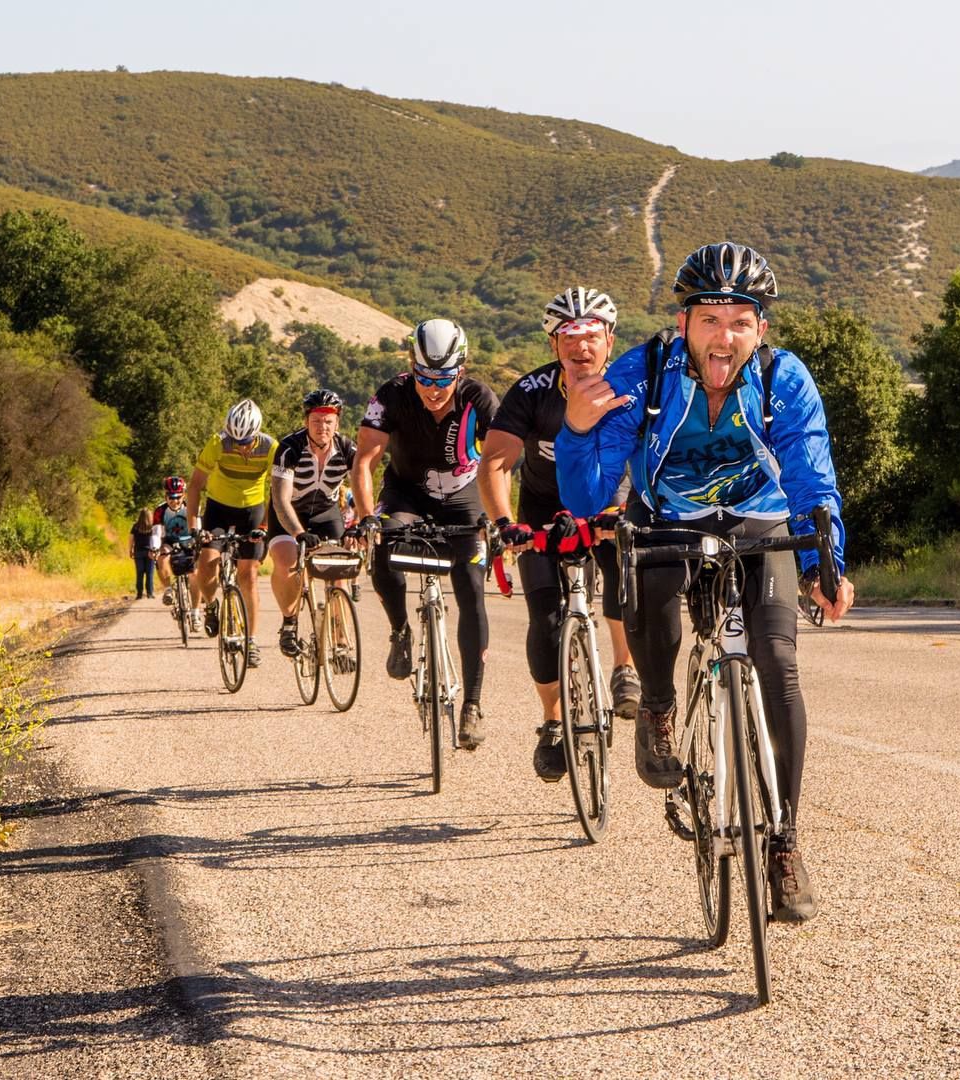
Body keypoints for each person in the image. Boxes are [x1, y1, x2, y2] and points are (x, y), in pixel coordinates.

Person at [555, 241, 854, 922]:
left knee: (777, 661)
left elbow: (812, 473)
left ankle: (784, 843)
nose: (725, 336)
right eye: (710, 319)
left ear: (760, 329)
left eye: (739, 321)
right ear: (685, 323)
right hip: (670, 518)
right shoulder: (645, 374)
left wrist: (821, 563)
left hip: (760, 522)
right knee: (651, 591)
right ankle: (657, 705)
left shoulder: (784, 378)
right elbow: (588, 493)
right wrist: (577, 429)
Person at [480, 286, 641, 783]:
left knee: (623, 569)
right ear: (554, 346)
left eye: (591, 334)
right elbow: (497, 462)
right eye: (568, 336)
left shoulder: (631, 387)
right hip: (543, 511)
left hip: (612, 501)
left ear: (609, 338)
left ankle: (624, 667)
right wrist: (507, 525)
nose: (581, 346)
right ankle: (552, 720)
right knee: (546, 619)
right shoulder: (531, 393)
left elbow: (651, 459)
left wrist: (631, 513)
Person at [351, 318, 499, 749]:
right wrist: (366, 516)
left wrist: (496, 516)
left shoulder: (479, 399)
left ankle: (472, 704)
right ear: (411, 367)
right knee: (384, 549)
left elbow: (497, 464)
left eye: (445, 378)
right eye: (425, 377)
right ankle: (400, 630)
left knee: (471, 588)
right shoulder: (390, 396)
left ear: (461, 368)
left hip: (462, 497)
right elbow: (364, 462)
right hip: (406, 495)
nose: (434, 388)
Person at [187, 398, 277, 668]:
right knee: (206, 563)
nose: (241, 447)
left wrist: (269, 527)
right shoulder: (217, 443)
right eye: (236, 441)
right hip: (218, 509)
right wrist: (194, 527)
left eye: (246, 441)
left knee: (248, 575)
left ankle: (251, 640)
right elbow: (194, 486)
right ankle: (212, 606)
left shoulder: (270, 447)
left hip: (252, 511)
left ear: (256, 433)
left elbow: (281, 489)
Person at [268, 389, 357, 657]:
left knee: (339, 574)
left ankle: (340, 645)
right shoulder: (289, 448)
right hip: (290, 512)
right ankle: (289, 623)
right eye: (316, 421)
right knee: (287, 562)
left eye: (328, 421)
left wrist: (361, 521)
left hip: (326, 511)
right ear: (307, 421)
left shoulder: (347, 448)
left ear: (337, 423)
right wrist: (298, 533)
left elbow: (362, 488)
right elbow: (281, 500)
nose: (322, 427)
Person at [152, 476, 196, 615]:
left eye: (178, 497)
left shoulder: (191, 507)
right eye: (171, 497)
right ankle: (168, 590)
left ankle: (195, 612)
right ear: (165, 496)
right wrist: (155, 548)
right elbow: (156, 532)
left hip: (189, 540)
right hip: (170, 541)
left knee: (195, 573)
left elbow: (198, 528)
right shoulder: (160, 511)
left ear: (183, 495)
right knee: (161, 556)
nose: (174, 501)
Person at [128, 507, 156, 599]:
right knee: (150, 573)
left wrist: (130, 550)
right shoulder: (152, 526)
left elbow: (131, 539)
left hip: (138, 552)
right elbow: (155, 539)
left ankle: (139, 594)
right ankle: (150, 593)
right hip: (150, 552)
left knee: (139, 573)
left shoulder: (135, 526)